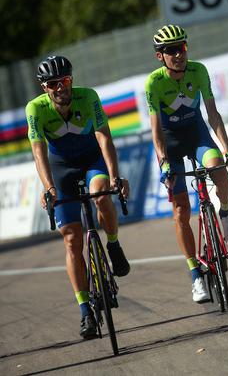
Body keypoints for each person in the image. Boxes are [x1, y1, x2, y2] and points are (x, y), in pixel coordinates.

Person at [26, 55, 131, 339]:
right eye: (53, 84)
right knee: (72, 239)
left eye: (66, 81)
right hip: (61, 171)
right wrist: (49, 187)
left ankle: (113, 244)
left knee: (100, 195)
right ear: (44, 88)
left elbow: (104, 137)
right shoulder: (35, 109)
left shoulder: (89, 98)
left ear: (72, 80)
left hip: (91, 161)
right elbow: (38, 152)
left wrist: (113, 175)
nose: (61, 88)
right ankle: (85, 311)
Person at [145, 24, 228, 303]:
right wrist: (164, 163)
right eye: (171, 51)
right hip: (171, 144)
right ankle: (195, 276)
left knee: (218, 168)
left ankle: (224, 213)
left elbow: (212, 114)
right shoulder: (154, 83)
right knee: (180, 211)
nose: (178, 55)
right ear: (159, 57)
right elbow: (155, 130)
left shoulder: (198, 71)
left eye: (182, 48)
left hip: (197, 134)